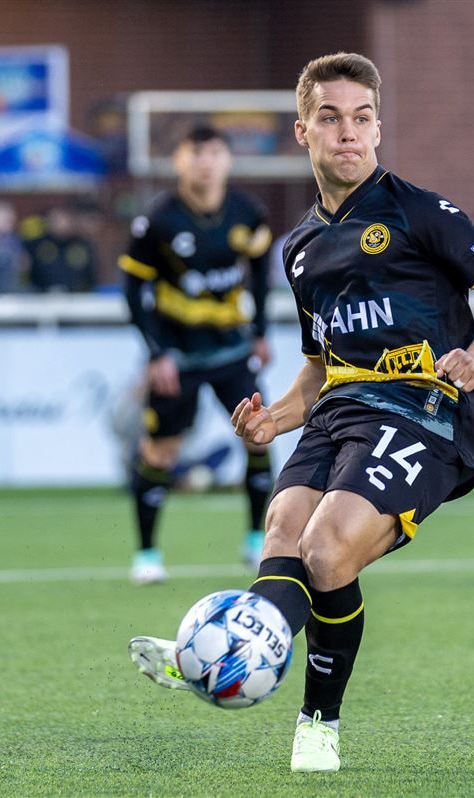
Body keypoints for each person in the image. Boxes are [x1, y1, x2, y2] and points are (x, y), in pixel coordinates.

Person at [127, 53, 474, 773]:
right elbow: (319, 366)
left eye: (361, 118)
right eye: (330, 117)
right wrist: (274, 419)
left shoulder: (419, 210)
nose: (348, 132)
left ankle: (318, 723)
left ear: (378, 128)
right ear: (302, 132)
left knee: (326, 548)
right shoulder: (299, 248)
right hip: (340, 411)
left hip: (422, 412)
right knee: (281, 534)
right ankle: (213, 659)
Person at [118, 125, 275, 584]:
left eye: (213, 153)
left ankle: (254, 541)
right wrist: (154, 353)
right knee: (161, 451)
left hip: (230, 347)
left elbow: (262, 274)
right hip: (177, 355)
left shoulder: (248, 212)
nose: (204, 162)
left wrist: (261, 332)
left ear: (227, 160)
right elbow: (133, 289)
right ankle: (146, 555)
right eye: (195, 154)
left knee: (259, 432)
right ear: (179, 162)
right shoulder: (158, 219)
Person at [24, 203, 98, 292]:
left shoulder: (81, 244)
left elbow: (90, 274)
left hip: (76, 296)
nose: (60, 223)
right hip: (42, 296)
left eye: (63, 219)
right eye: (55, 220)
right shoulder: (38, 244)